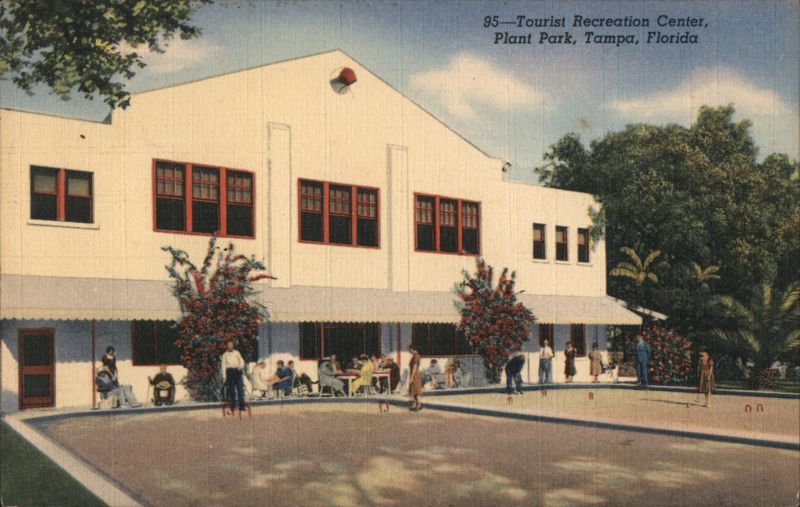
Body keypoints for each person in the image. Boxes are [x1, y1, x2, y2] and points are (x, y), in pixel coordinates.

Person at [221, 340, 246, 411]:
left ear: (233, 346)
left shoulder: (237, 352)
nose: (230, 347)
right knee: (232, 389)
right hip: (230, 372)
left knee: (240, 389)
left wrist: (240, 367)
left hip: (237, 371)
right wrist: (224, 377)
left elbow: (242, 361)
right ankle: (233, 405)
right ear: (227, 347)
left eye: (231, 346)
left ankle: (242, 406)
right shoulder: (225, 355)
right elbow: (223, 366)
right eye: (229, 346)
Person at [408, 347, 423, 411]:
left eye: (409, 350)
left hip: (415, 375)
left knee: (416, 390)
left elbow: (415, 366)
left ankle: (419, 404)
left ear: (412, 349)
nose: (409, 351)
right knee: (413, 390)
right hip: (413, 374)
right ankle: (415, 404)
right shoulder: (414, 356)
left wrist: (412, 377)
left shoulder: (416, 356)